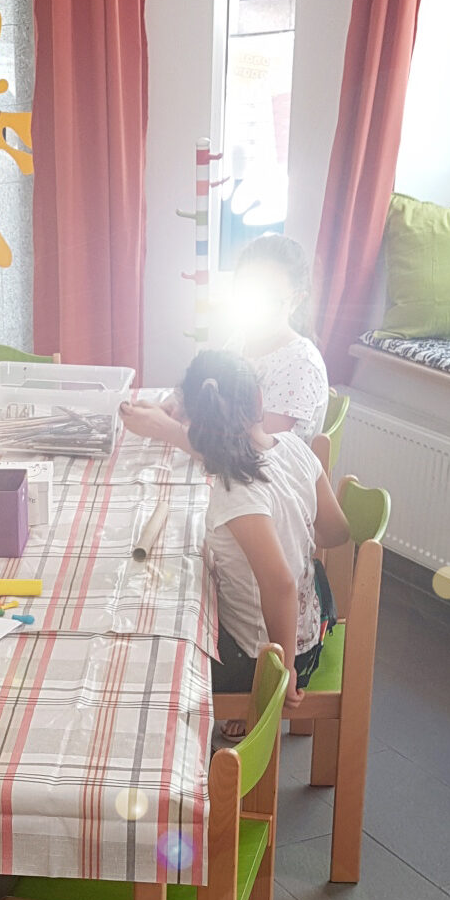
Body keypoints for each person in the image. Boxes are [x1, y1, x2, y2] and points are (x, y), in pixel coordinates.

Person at [179, 351, 351, 723]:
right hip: (313, 633)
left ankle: (238, 720)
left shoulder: (236, 492)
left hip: (265, 660)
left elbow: (280, 584)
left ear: (192, 418)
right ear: (259, 400)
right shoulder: (295, 447)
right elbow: (337, 532)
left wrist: (281, 673)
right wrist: (297, 526)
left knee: (175, 653)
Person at [121, 233, 331, 448]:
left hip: (260, 469)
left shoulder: (300, 366)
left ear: (296, 300)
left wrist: (168, 430)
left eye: (269, 299)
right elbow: (213, 395)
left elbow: (254, 454)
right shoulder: (241, 339)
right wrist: (177, 408)